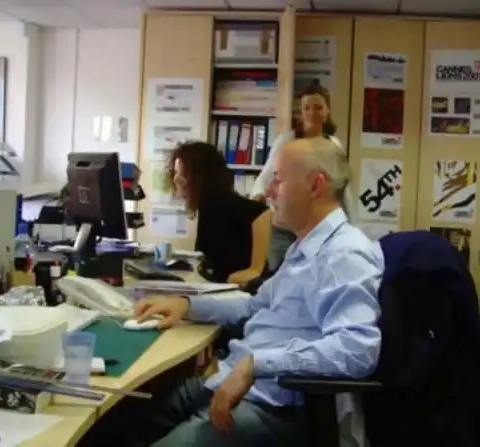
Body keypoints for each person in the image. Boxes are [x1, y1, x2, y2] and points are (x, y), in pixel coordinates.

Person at [132, 137, 383, 447]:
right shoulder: (304, 247)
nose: (268, 191)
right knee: (125, 422)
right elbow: (253, 306)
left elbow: (357, 350)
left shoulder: (344, 254)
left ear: (315, 186)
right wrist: (187, 305)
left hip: (275, 407)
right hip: (237, 381)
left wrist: (257, 364)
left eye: (278, 179)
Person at [249, 83, 352, 272]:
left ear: (327, 111)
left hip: (316, 226)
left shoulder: (334, 145)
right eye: (306, 108)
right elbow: (266, 177)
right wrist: (257, 199)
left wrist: (350, 223)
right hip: (286, 227)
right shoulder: (287, 141)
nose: (312, 113)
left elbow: (342, 188)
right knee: (280, 274)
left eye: (318, 107)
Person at [166, 141, 271, 285]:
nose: (175, 179)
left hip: (233, 288)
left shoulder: (219, 205)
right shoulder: (208, 205)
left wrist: (255, 269)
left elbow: (261, 212)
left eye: (180, 173)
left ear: (199, 175)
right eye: (175, 172)